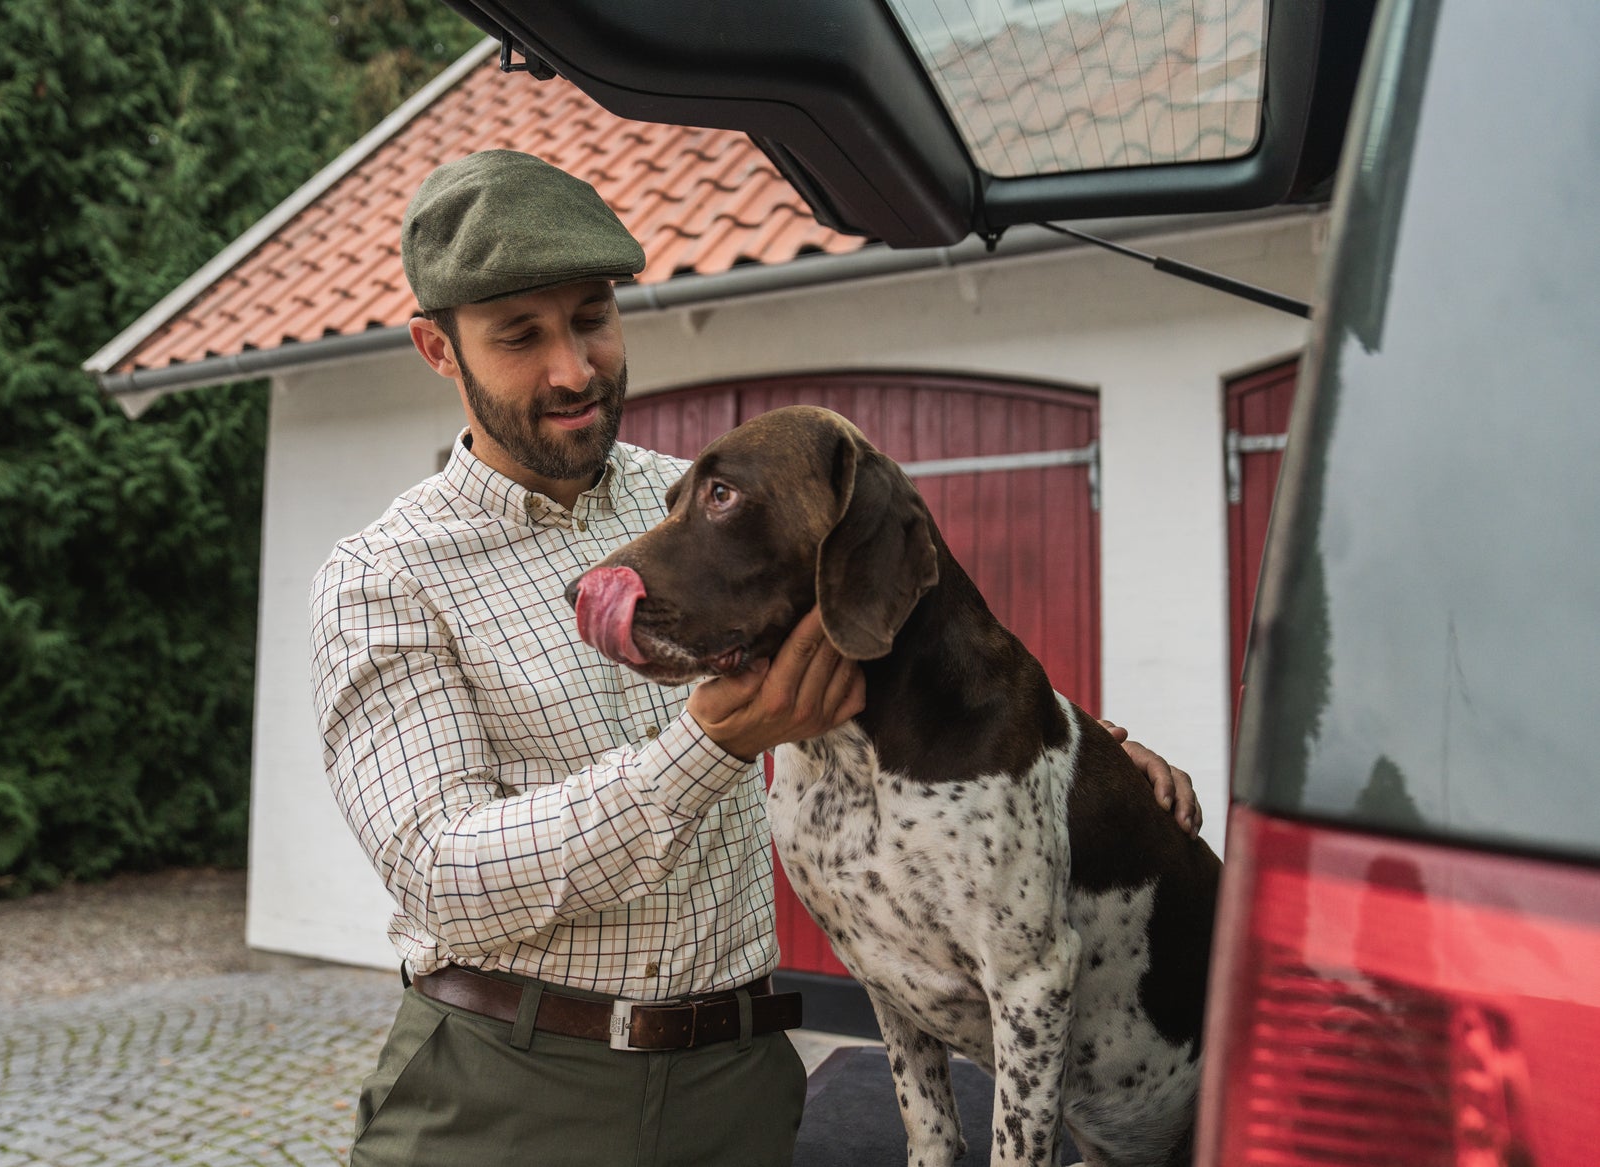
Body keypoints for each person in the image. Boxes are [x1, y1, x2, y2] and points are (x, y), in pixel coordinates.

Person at [309, 149, 1201, 1167]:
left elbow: (916, 644)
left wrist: (1085, 761)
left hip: (738, 1086)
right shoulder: (380, 580)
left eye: (592, 317)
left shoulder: (700, 498)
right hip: (505, 1094)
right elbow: (441, 872)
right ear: (437, 348)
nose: (572, 368)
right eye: (520, 337)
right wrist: (709, 747)